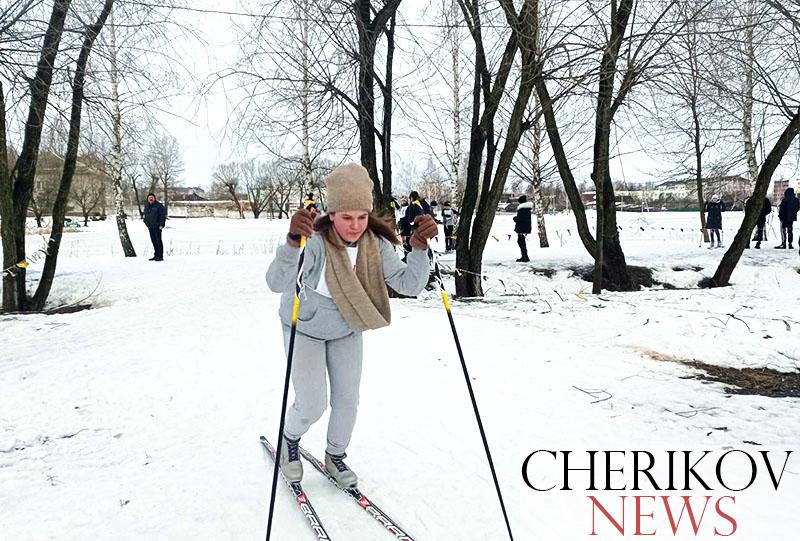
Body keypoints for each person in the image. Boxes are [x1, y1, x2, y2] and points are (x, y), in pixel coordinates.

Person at [265, 163, 437, 488]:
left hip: (346, 326)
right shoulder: (315, 242)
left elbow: (409, 284)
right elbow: (276, 283)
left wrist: (418, 248)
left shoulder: (375, 245)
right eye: (346, 217)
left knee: (347, 399)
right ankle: (290, 439)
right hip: (304, 328)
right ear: (332, 214)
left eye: (361, 216)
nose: (355, 225)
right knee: (313, 401)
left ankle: (335, 455)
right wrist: (291, 243)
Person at [143, 193, 166, 261]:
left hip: (157, 227)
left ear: (154, 198)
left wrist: (162, 224)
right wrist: (146, 222)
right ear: (148, 199)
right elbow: (145, 215)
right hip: (150, 227)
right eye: (149, 197)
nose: (150, 199)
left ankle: (160, 256)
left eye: (152, 197)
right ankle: (156, 255)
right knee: (153, 241)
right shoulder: (147, 206)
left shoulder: (159, 206)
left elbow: (162, 216)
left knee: (158, 241)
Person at [513, 195, 533, 262]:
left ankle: (525, 257)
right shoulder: (527, 209)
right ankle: (524, 256)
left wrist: (515, 218)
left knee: (521, 242)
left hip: (522, 228)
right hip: (525, 228)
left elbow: (520, 219)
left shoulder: (522, 210)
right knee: (521, 242)